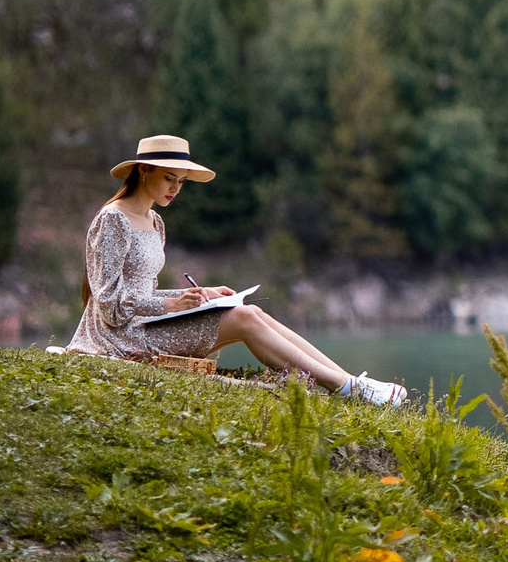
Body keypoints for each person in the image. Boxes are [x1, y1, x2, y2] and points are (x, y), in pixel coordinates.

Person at [65, 134, 408, 406]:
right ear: (143, 171)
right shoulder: (113, 219)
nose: (175, 189)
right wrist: (171, 305)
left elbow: (143, 292)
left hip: (146, 325)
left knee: (249, 310)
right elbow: (110, 305)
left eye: (182, 182)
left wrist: (201, 296)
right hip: (119, 338)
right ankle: (348, 388)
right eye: (170, 178)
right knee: (244, 320)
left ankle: (351, 382)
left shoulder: (155, 221)